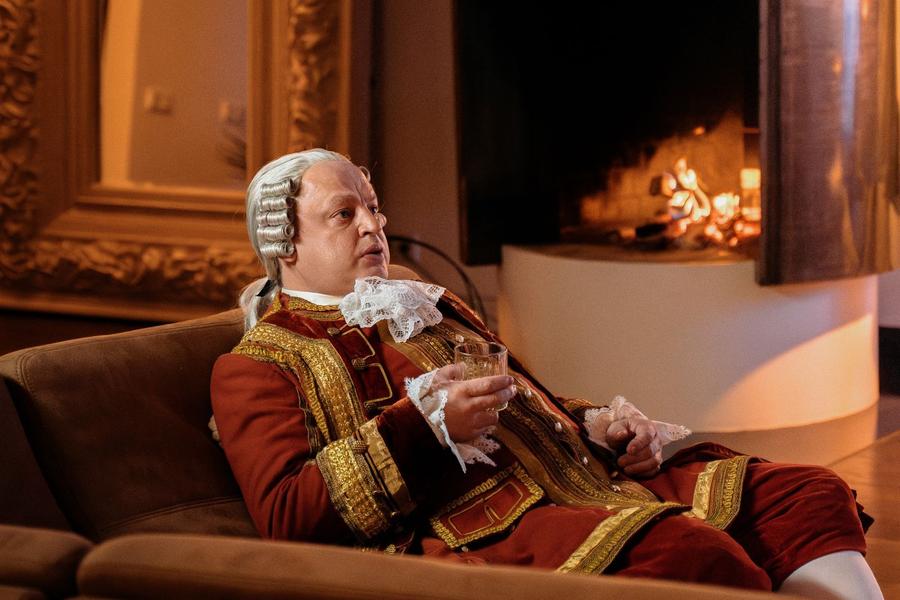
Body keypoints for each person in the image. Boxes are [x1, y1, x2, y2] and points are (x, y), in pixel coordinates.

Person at [210, 149, 882, 598]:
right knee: (692, 555)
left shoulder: (424, 302)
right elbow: (286, 516)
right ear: (285, 242)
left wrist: (600, 427)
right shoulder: (258, 363)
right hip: (488, 529)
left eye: (373, 207)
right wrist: (423, 428)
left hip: (586, 479)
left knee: (807, 492)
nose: (373, 225)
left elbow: (528, 399)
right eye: (344, 213)